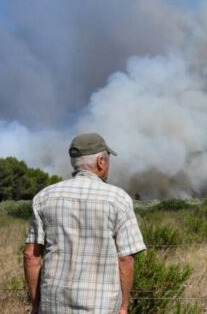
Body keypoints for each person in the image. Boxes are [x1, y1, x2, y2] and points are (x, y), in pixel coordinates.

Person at [23, 133, 147, 314]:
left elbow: (31, 256)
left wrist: (36, 304)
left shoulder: (44, 197)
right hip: (102, 307)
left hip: (53, 306)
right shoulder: (118, 199)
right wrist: (124, 306)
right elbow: (126, 258)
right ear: (101, 161)